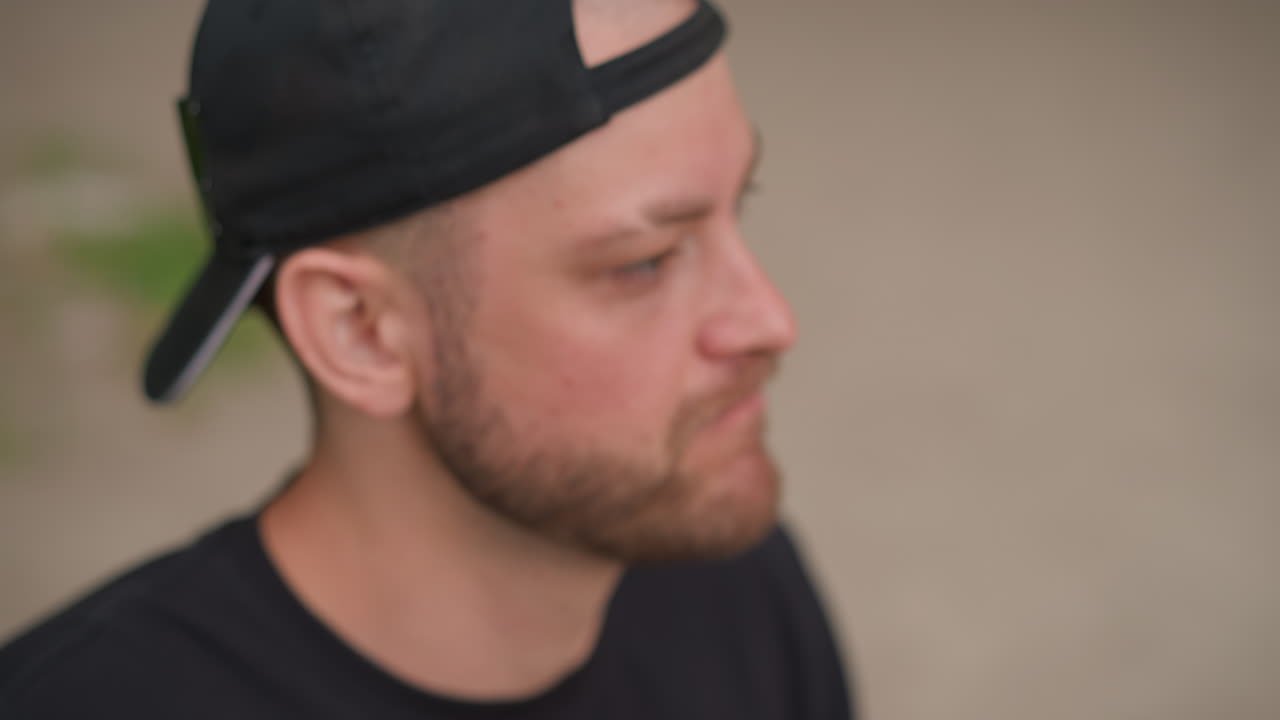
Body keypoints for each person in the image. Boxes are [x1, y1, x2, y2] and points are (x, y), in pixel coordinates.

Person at [1, 0, 854, 717]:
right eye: (645, 262)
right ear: (361, 331)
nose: (770, 320)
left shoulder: (734, 589)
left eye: (737, 205)